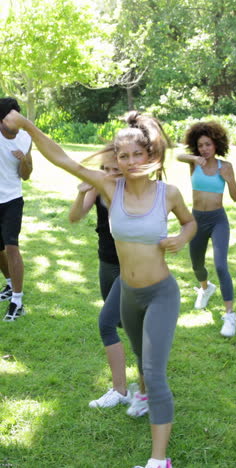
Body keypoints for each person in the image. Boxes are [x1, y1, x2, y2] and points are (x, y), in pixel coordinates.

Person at [3, 109, 197, 468]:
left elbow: (190, 223)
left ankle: (159, 461)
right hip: (128, 291)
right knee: (142, 361)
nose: (131, 161)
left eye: (138, 154)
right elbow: (61, 158)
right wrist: (28, 125)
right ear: (117, 161)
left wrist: (181, 237)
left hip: (160, 293)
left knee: (154, 373)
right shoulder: (110, 186)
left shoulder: (167, 193)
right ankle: (138, 396)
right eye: (123, 156)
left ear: (150, 155)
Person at [69, 152, 133, 409]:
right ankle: (147, 378)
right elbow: (74, 217)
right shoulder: (98, 188)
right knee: (119, 321)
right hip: (107, 261)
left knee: (107, 322)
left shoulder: (137, 192)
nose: (111, 174)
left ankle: (122, 390)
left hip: (132, 265)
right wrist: (81, 192)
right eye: (106, 169)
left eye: (116, 169)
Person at [177, 121, 236, 338]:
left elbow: (235, 196)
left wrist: (229, 180)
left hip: (218, 219)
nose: (204, 149)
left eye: (208, 144)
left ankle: (230, 315)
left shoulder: (226, 166)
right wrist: (194, 158)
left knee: (221, 266)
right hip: (196, 220)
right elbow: (178, 156)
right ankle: (205, 288)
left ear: (216, 145)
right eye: (200, 145)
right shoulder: (195, 163)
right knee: (197, 264)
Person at [0, 98, 32, 321]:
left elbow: (27, 175)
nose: (14, 123)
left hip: (12, 199)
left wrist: (23, 160)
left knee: (12, 248)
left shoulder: (25, 137)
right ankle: (10, 285)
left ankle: (17, 301)